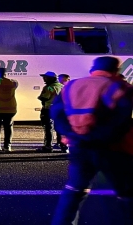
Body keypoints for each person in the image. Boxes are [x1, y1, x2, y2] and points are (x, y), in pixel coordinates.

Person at [50, 56, 133, 224]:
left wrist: (73, 135)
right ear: (115, 70)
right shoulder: (120, 87)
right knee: (127, 193)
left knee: (75, 189)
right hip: (112, 149)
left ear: (92, 69)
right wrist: (97, 138)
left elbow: (57, 114)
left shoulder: (71, 86)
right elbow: (121, 120)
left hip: (79, 147)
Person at [36, 71, 64, 153]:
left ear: (50, 79)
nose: (44, 79)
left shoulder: (48, 87)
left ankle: (48, 146)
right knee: (60, 128)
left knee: (48, 128)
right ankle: (63, 146)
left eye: (45, 77)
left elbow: (44, 98)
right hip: (61, 110)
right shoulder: (62, 86)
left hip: (49, 109)